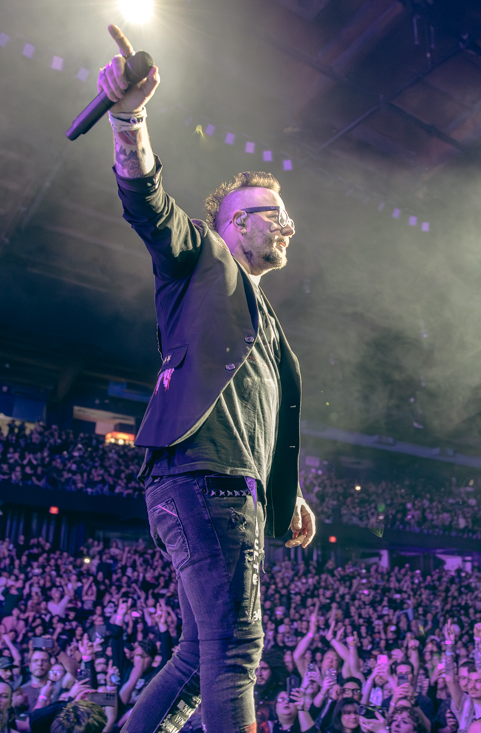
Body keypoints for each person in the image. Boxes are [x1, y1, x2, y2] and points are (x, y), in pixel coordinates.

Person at [97, 22, 316, 733]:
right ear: (235, 225)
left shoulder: (264, 323)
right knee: (235, 650)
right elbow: (148, 204)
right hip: (205, 478)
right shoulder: (200, 259)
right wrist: (129, 119)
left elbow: (254, 415)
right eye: (273, 216)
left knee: (200, 656)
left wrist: (288, 494)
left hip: (215, 482)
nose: (286, 227)